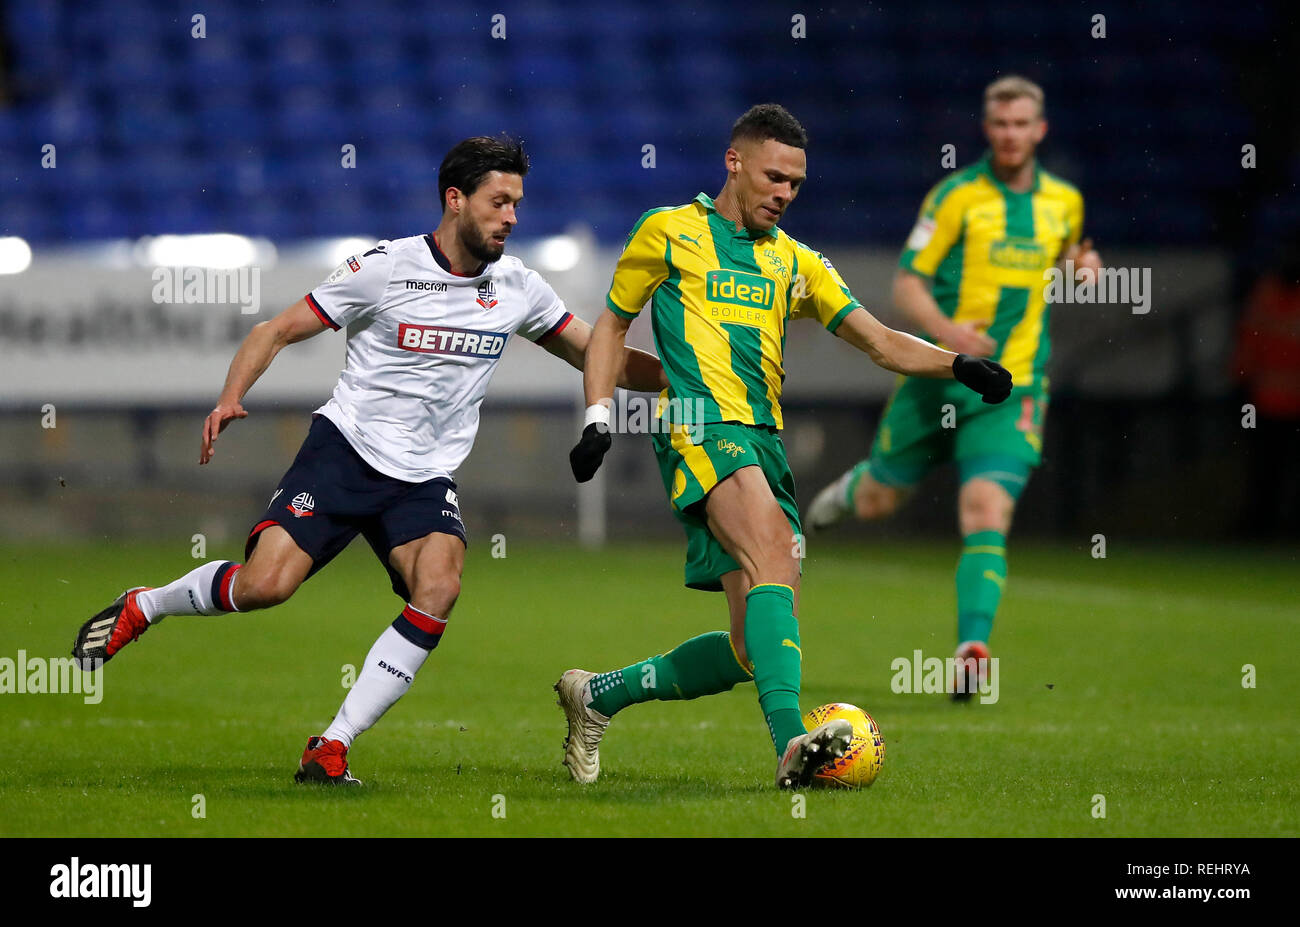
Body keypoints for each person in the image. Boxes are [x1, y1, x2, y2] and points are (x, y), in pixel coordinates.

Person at [72, 135, 667, 784]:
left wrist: (681, 378)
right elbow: (274, 330)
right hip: (345, 454)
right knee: (265, 586)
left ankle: (332, 744)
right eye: (499, 202)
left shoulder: (517, 287)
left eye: (518, 204)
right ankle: (146, 605)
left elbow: (594, 352)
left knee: (439, 585)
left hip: (423, 477)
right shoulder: (386, 268)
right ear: (455, 199)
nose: (512, 217)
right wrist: (230, 398)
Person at [556, 104, 1012, 789]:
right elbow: (610, 329)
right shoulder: (669, 232)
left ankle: (597, 695)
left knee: (749, 647)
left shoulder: (796, 262)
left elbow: (881, 340)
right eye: (774, 177)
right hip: (698, 427)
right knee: (772, 551)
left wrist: (958, 365)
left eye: (796, 184)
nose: (785, 194)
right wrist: (598, 415)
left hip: (762, 442)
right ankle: (790, 744)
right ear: (734, 163)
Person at [808, 76, 1102, 697]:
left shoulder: (1064, 202)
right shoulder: (956, 196)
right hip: (939, 377)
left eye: (1022, 124)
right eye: (1000, 124)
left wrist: (1084, 270)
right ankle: (847, 491)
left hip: (1013, 388)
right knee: (877, 503)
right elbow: (906, 284)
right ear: (986, 129)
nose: (1011, 135)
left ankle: (972, 650)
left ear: (1039, 130)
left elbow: (1072, 262)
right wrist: (947, 333)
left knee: (985, 510)